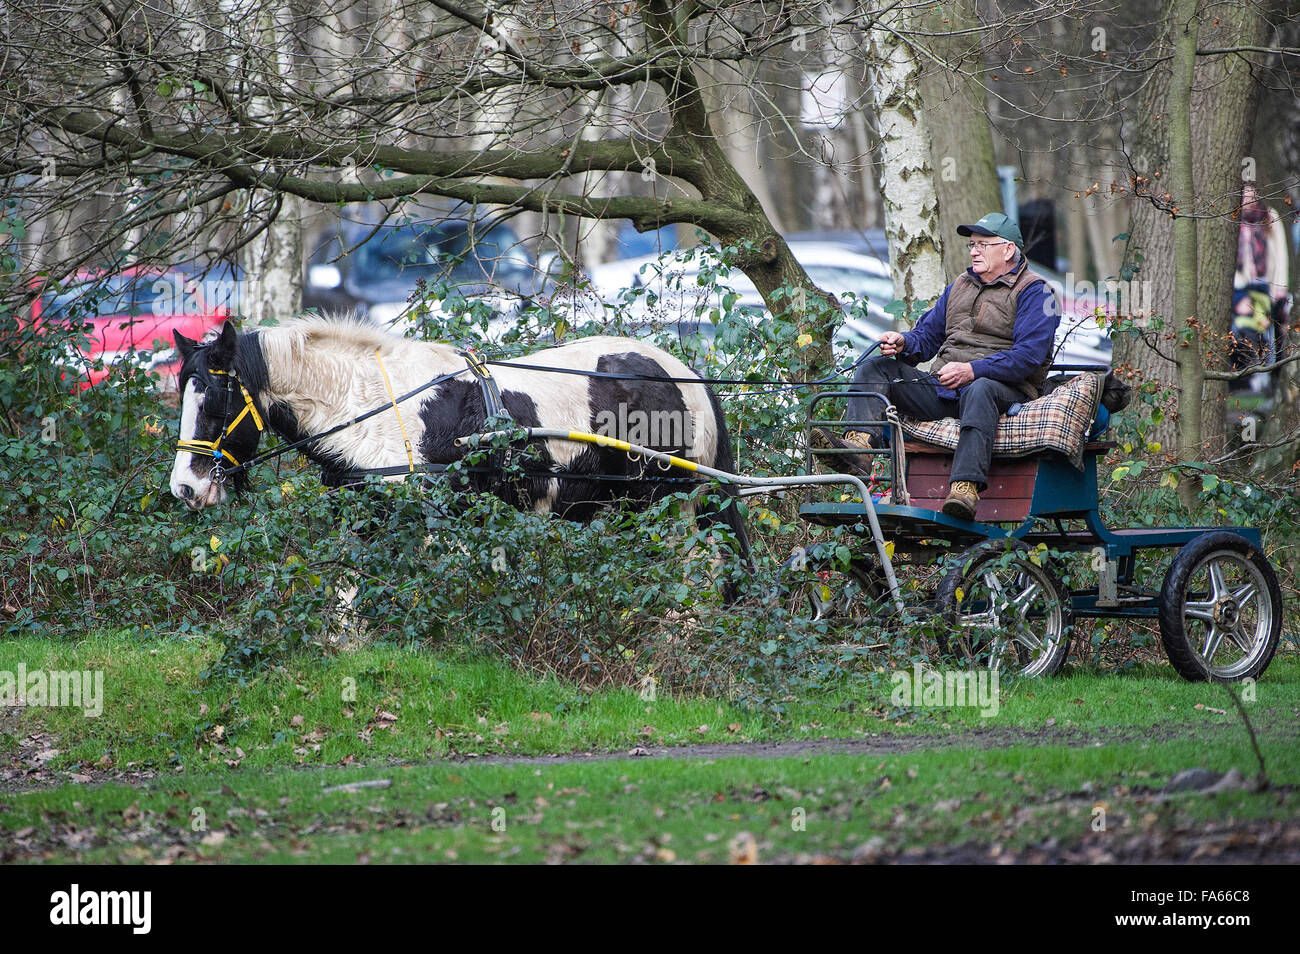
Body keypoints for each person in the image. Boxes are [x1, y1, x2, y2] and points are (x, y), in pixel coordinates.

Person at [814, 212, 1061, 520]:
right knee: (876, 368)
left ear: (1008, 250)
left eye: (983, 245)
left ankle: (965, 488)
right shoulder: (960, 285)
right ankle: (858, 450)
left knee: (980, 389)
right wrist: (903, 342)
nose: (973, 251)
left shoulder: (1036, 292)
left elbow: (1027, 358)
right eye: (972, 244)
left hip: (1004, 391)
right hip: (946, 388)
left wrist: (973, 371)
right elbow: (927, 337)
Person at [1231, 183, 1290, 391]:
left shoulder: (1268, 216)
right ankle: (1244, 376)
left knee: (1267, 326)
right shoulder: (1233, 217)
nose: (1248, 200)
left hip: (1265, 284)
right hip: (1240, 287)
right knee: (1242, 328)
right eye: (1244, 196)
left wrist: (1280, 291)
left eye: (1251, 196)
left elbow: (1280, 255)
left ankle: (1268, 377)